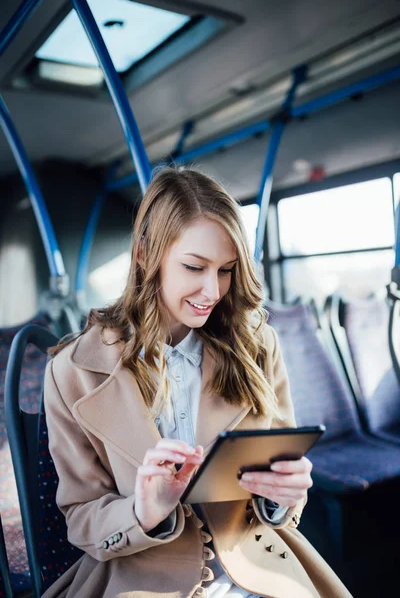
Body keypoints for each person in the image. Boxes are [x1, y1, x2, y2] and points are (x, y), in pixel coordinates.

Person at [43, 167, 351, 598]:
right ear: (145, 254)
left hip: (257, 565)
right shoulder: (73, 370)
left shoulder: (257, 346)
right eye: (194, 267)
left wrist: (284, 495)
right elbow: (81, 516)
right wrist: (142, 510)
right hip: (138, 577)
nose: (213, 290)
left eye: (226, 270)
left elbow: (281, 491)